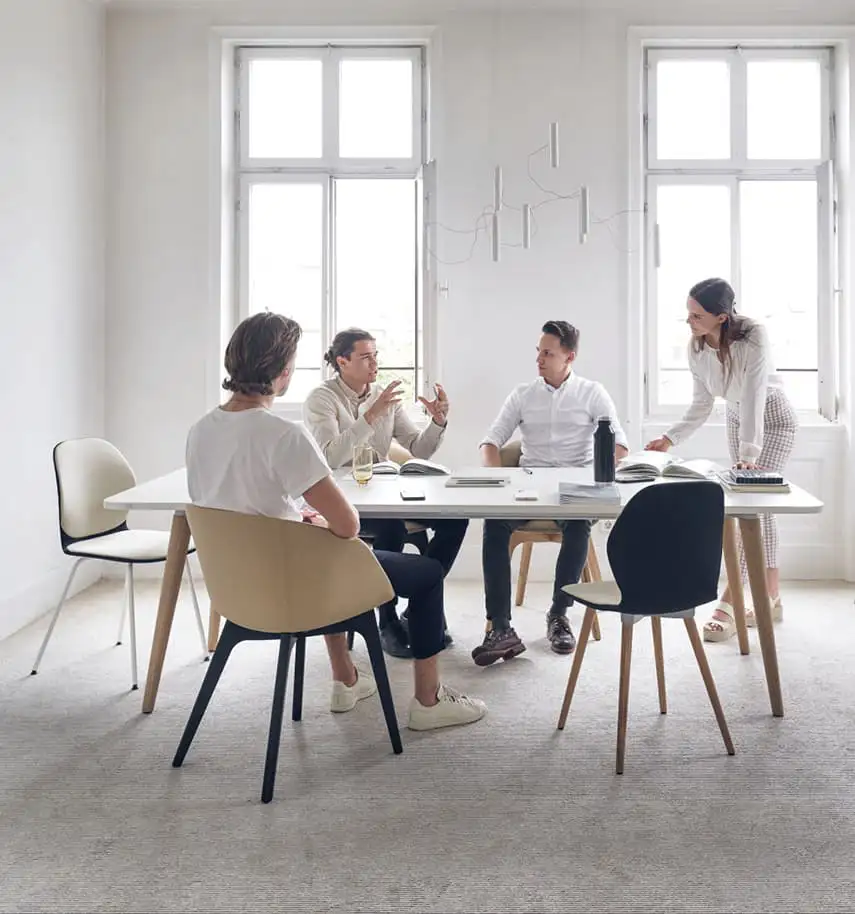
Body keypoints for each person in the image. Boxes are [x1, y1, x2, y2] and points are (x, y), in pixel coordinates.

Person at [186, 312, 485, 731]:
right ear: (283, 370)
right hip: (300, 585)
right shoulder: (283, 434)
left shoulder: (200, 432)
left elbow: (237, 507)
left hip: (239, 592)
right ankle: (429, 702)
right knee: (425, 572)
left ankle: (346, 679)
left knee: (319, 543)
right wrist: (311, 521)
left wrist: (298, 518)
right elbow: (346, 524)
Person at [644, 277, 797, 643]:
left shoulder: (754, 335)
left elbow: (756, 393)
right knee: (761, 510)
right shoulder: (696, 347)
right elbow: (703, 402)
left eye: (697, 315)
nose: (689, 321)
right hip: (736, 418)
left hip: (771, 420)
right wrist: (669, 438)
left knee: (750, 509)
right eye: (688, 313)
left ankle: (729, 602)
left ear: (723, 316)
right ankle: (771, 597)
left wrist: (749, 454)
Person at [303, 328, 468, 659]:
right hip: (344, 500)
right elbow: (331, 457)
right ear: (342, 361)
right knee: (391, 526)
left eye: (375, 355)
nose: (374, 363)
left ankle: (419, 604)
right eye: (365, 357)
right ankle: (387, 618)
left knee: (456, 518)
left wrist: (437, 422)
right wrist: (371, 416)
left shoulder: (382, 395)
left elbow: (417, 447)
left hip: (387, 489)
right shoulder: (321, 399)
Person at [474, 320, 628, 666]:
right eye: (538, 352)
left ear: (569, 357)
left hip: (574, 488)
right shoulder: (523, 394)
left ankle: (559, 615)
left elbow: (619, 445)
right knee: (493, 523)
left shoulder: (593, 393)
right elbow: (491, 440)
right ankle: (500, 628)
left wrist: (594, 478)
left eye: (548, 353)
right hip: (527, 486)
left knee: (578, 525)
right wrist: (498, 479)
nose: (540, 359)